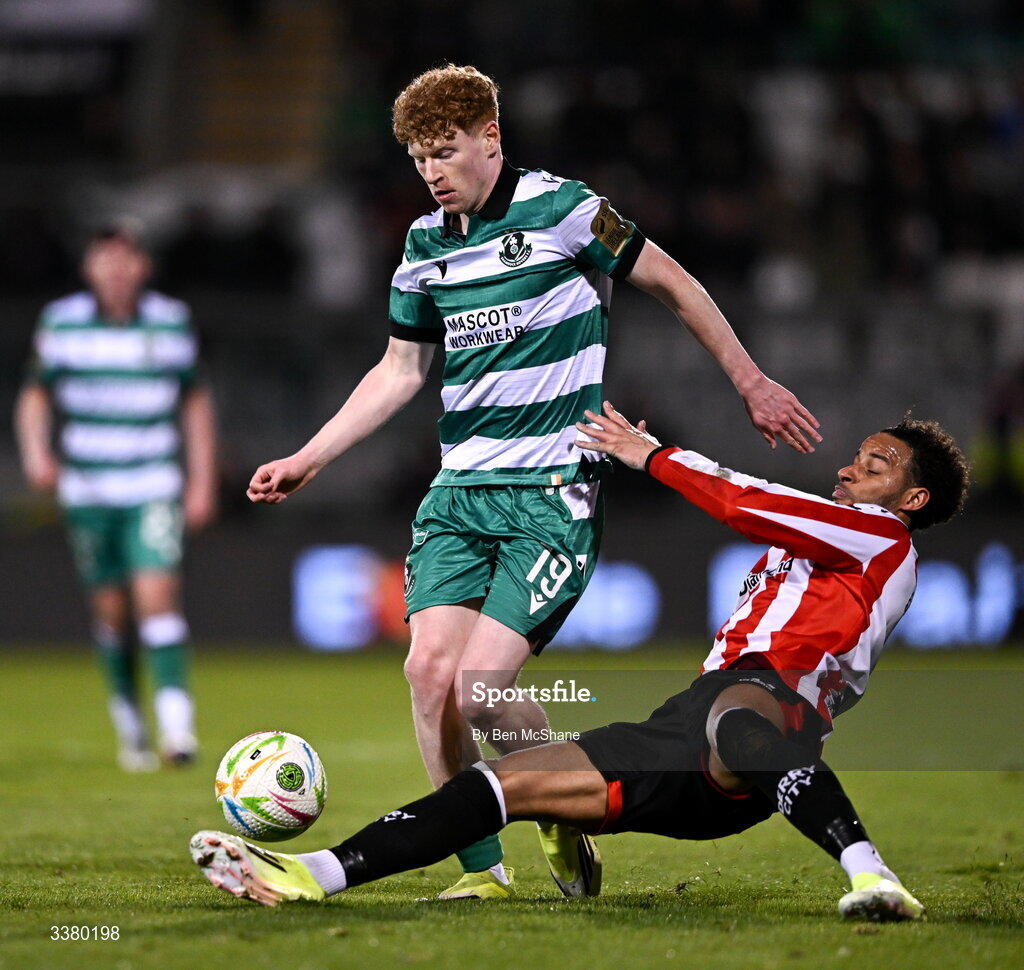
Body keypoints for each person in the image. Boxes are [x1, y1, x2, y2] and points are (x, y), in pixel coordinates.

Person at [246, 63, 821, 900]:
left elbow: (675, 283)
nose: (432, 172)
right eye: (416, 159)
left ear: (492, 139)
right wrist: (310, 455)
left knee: (482, 694)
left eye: (444, 152)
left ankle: (554, 803)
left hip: (551, 490)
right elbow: (401, 370)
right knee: (427, 676)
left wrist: (750, 381)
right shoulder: (424, 247)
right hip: (459, 490)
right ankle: (485, 871)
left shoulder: (566, 210)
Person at [195, 401, 968, 920]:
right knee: (501, 784)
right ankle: (313, 875)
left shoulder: (881, 539)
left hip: (765, 718)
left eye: (878, 463)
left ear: (912, 501)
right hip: (684, 733)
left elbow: (745, 500)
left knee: (740, 717)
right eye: (860, 455)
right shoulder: (831, 540)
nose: (851, 467)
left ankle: (872, 875)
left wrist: (652, 455)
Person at [15, 222, 218, 771]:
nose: (115, 270)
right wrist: (36, 454)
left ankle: (178, 732)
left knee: (157, 599)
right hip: (88, 488)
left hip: (152, 483)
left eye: (124, 260)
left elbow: (194, 403)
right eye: (103, 261)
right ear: (89, 270)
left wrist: (201, 481)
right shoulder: (62, 322)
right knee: (112, 615)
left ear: (142, 267)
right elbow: (35, 395)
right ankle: (131, 725)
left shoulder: (170, 320)